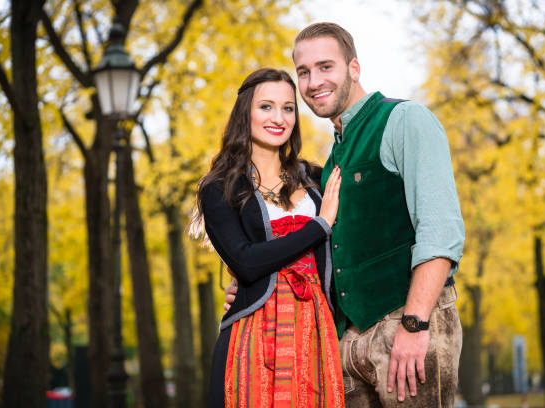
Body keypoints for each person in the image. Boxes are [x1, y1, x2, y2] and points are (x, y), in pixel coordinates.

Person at [225, 23, 465, 407]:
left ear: (354, 68)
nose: (313, 81)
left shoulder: (405, 120)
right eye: (303, 72)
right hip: (347, 340)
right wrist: (260, 284)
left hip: (406, 323)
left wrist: (414, 323)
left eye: (325, 67)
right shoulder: (333, 156)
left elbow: (440, 231)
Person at [192, 68, 345, 408]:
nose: (279, 118)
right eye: (266, 107)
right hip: (251, 334)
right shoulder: (219, 187)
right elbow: (246, 263)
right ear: (245, 112)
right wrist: (319, 225)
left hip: (315, 331)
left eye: (288, 108)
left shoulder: (317, 180)